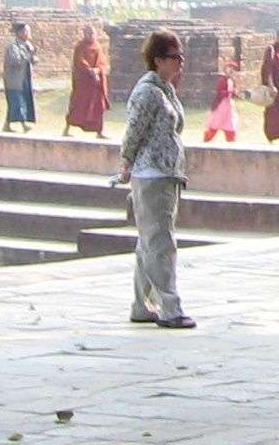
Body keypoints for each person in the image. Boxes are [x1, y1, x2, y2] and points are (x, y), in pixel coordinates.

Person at [115, 29, 194, 330]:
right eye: (175, 57)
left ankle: (141, 303)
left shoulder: (165, 89)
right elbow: (134, 130)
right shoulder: (147, 92)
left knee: (149, 242)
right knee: (160, 243)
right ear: (158, 59)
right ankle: (169, 306)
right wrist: (126, 161)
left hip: (167, 174)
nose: (180, 63)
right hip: (151, 175)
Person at [65, 24, 109, 137]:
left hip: (96, 83)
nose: (92, 36)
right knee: (77, 104)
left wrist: (97, 70)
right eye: (89, 33)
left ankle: (99, 131)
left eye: (93, 33)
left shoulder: (98, 46)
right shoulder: (80, 46)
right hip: (83, 81)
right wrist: (89, 70)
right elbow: (80, 61)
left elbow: (102, 62)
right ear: (84, 34)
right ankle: (66, 129)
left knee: (98, 106)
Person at [2, 22, 38, 132]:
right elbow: (15, 61)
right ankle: (23, 125)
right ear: (19, 33)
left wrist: (33, 58)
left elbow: (32, 59)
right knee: (17, 100)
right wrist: (27, 56)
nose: (28, 34)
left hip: (25, 77)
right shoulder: (13, 46)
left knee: (19, 101)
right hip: (14, 78)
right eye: (26, 31)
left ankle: (7, 124)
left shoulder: (28, 45)